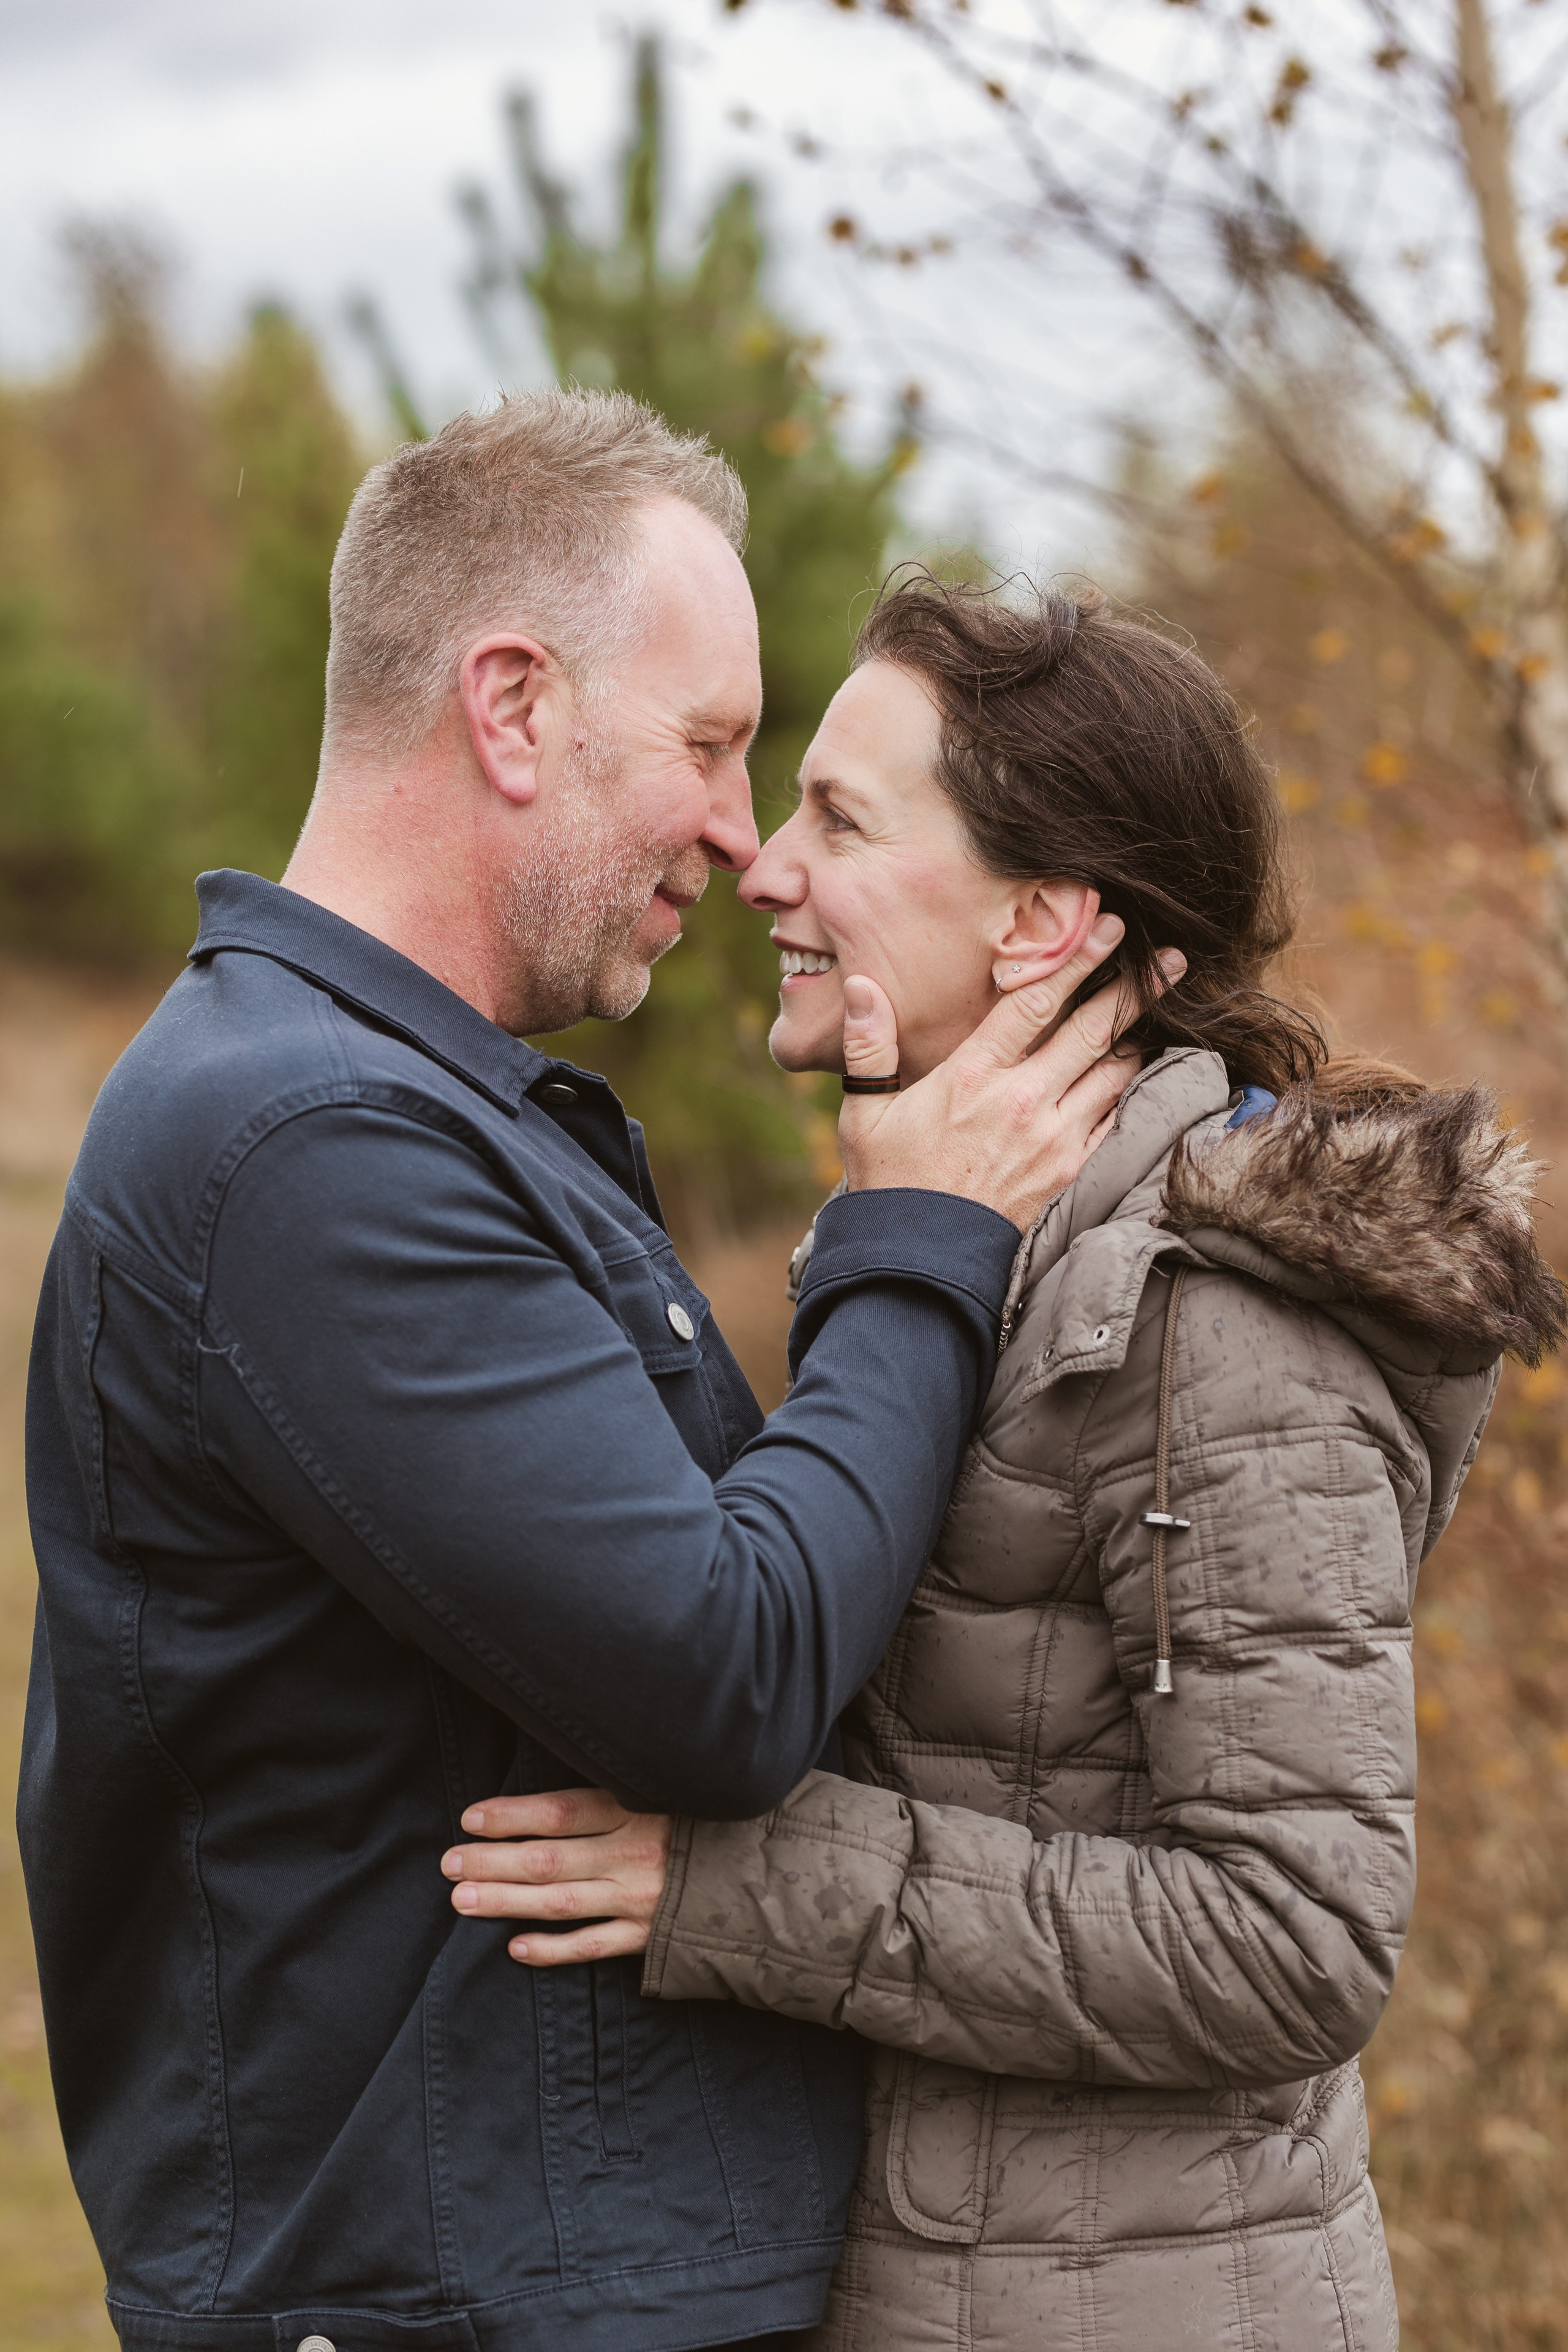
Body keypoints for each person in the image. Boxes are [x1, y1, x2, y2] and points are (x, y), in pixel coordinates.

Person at [18, 402, 1152, 2352]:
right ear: (515, 708)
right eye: (710, 746)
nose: (741, 829)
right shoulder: (309, 1147)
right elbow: (723, 1673)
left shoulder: (419, 1113)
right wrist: (925, 1236)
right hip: (448, 2298)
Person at [442, 573, 1566, 2352]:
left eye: (840, 820)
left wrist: (744, 1886)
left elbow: (1298, 1933)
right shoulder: (961, 1242)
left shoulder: (1216, 1316)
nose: (766, 870)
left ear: (1042, 922)